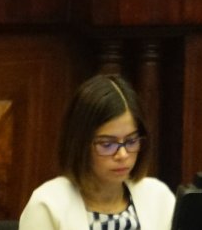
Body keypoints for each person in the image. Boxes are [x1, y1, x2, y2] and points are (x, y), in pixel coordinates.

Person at [20, 74, 174, 230]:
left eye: (131, 141)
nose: (122, 155)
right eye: (107, 144)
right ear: (80, 144)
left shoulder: (159, 197)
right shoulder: (48, 204)